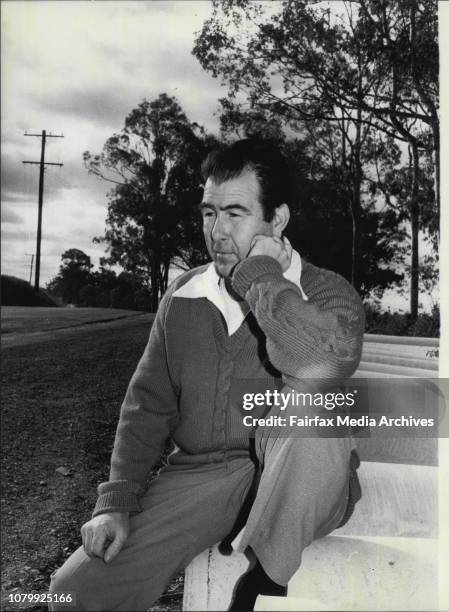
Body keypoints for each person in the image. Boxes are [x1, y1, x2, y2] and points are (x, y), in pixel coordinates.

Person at [49, 139, 365, 611]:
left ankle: (269, 584)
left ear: (275, 221)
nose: (216, 231)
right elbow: (148, 404)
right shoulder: (184, 296)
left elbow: (322, 366)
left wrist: (260, 275)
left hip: (301, 476)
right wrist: (116, 500)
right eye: (208, 213)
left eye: (235, 213)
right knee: (71, 593)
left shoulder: (328, 292)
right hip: (203, 477)